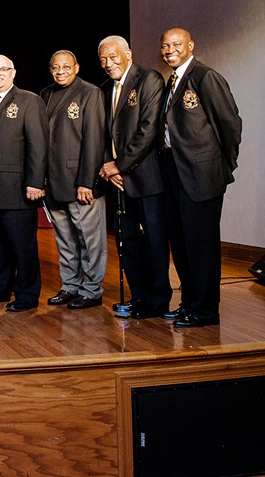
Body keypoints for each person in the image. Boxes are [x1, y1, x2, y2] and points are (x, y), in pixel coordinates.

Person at [158, 27, 241, 327]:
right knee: (180, 244)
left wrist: (224, 165)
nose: (170, 50)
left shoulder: (206, 77)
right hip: (174, 173)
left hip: (201, 176)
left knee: (201, 246)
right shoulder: (172, 81)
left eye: (176, 44)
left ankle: (205, 311)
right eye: (165, 46)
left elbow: (230, 124)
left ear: (191, 45)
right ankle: (189, 302)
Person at [98, 35, 170, 319]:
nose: (108, 63)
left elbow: (149, 129)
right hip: (118, 182)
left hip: (146, 179)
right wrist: (107, 164)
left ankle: (159, 300)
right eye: (103, 58)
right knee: (126, 241)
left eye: (113, 56)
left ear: (128, 53)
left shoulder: (149, 79)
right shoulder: (106, 89)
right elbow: (104, 134)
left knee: (154, 240)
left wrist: (120, 165)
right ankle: (139, 296)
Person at [0, 55, 48, 312]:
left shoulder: (29, 100)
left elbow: (38, 145)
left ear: (13, 73)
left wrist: (35, 181)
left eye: (3, 70)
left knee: (21, 246)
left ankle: (27, 295)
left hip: (16, 189)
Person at [40, 51, 108, 310]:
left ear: (77, 67)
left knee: (90, 240)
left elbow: (94, 140)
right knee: (65, 240)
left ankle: (91, 290)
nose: (61, 71)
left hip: (81, 182)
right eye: (55, 67)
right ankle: (70, 285)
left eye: (66, 66)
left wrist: (87, 181)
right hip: (54, 181)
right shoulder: (45, 94)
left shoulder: (90, 93)